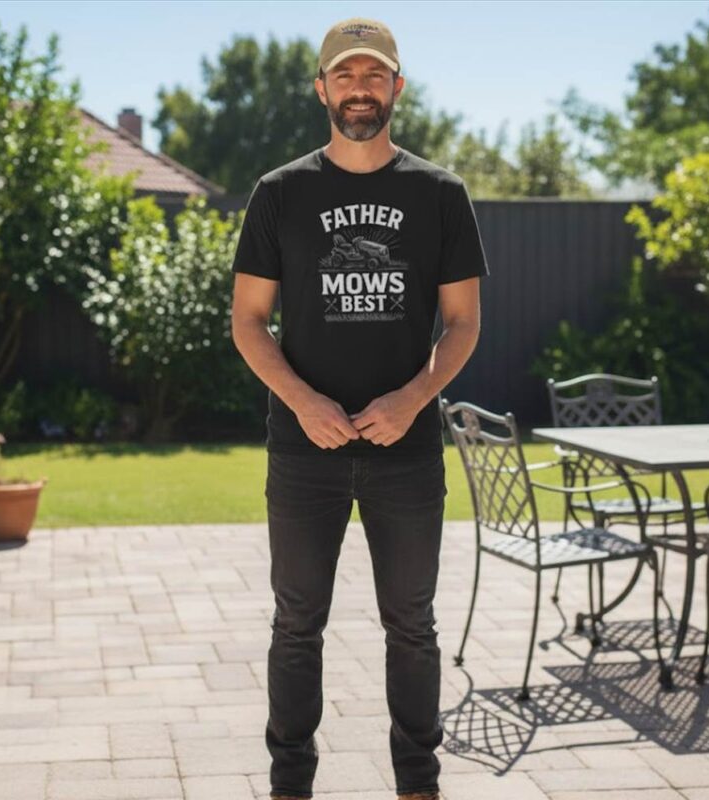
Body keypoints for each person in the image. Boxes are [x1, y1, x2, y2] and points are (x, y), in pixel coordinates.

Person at [230, 16, 489, 800]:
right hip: (304, 452)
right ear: (321, 90)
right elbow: (248, 321)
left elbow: (465, 321)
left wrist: (414, 398)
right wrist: (303, 400)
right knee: (295, 626)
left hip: (405, 455)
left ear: (397, 88)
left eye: (374, 75)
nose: (360, 88)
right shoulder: (281, 194)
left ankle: (418, 783)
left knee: (411, 626)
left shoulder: (439, 194)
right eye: (345, 75)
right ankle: (291, 784)